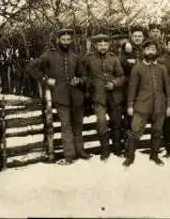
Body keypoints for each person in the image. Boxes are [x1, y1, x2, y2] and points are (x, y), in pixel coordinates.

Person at [25, 28, 90, 164]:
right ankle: (69, 156)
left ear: (71, 40)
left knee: (78, 126)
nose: (66, 42)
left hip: (77, 97)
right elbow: (30, 67)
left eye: (68, 40)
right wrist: (45, 79)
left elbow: (84, 76)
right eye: (63, 40)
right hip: (61, 98)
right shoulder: (49, 55)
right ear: (58, 40)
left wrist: (79, 80)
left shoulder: (75, 57)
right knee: (66, 126)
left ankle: (80, 152)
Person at [123, 40, 170, 167]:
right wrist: (130, 105)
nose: (151, 52)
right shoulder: (137, 68)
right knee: (135, 131)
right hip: (142, 105)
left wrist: (169, 105)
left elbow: (168, 89)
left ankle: (154, 155)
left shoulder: (162, 68)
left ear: (156, 51)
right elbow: (132, 88)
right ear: (144, 51)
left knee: (157, 131)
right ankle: (130, 156)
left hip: (159, 105)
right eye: (148, 49)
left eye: (153, 49)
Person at [82, 34, 126, 161]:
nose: (103, 47)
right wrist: (89, 83)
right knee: (101, 123)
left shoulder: (114, 58)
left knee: (116, 123)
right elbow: (82, 75)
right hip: (98, 97)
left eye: (105, 45)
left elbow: (122, 77)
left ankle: (117, 149)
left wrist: (114, 83)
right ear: (95, 46)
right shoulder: (88, 58)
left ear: (108, 45)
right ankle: (105, 151)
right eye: (100, 45)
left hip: (114, 97)